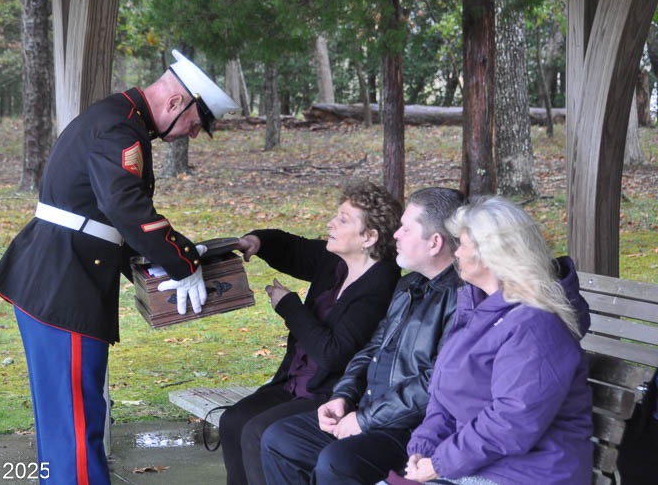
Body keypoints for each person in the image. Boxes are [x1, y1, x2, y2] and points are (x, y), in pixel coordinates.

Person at [0, 49, 239, 484]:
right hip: (65, 284)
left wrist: (161, 260)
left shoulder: (119, 118)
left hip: (58, 277)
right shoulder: (121, 129)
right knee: (76, 427)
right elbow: (124, 207)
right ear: (175, 102)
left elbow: (105, 217)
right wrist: (182, 262)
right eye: (197, 123)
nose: (194, 134)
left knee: (63, 423)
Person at [260, 187, 466, 485]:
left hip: (414, 428)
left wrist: (365, 420)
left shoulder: (463, 298)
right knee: (281, 439)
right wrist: (344, 396)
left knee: (337, 462)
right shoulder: (409, 285)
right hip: (372, 411)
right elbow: (372, 349)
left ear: (435, 242)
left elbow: (436, 383)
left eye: (406, 229)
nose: (396, 235)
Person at [218, 180, 403, 485]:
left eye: (343, 220)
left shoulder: (380, 285)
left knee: (257, 432)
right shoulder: (336, 262)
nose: (331, 223)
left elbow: (333, 355)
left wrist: (289, 306)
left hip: (332, 395)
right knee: (232, 421)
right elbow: (294, 248)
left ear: (369, 237)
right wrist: (257, 241)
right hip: (293, 384)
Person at [403, 196, 593, 485]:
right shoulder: (479, 309)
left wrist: (441, 463)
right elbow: (445, 397)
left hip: (527, 473)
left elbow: (512, 420)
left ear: (490, 254)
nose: (456, 253)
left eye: (462, 244)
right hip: (479, 463)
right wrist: (424, 447)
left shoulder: (536, 325)